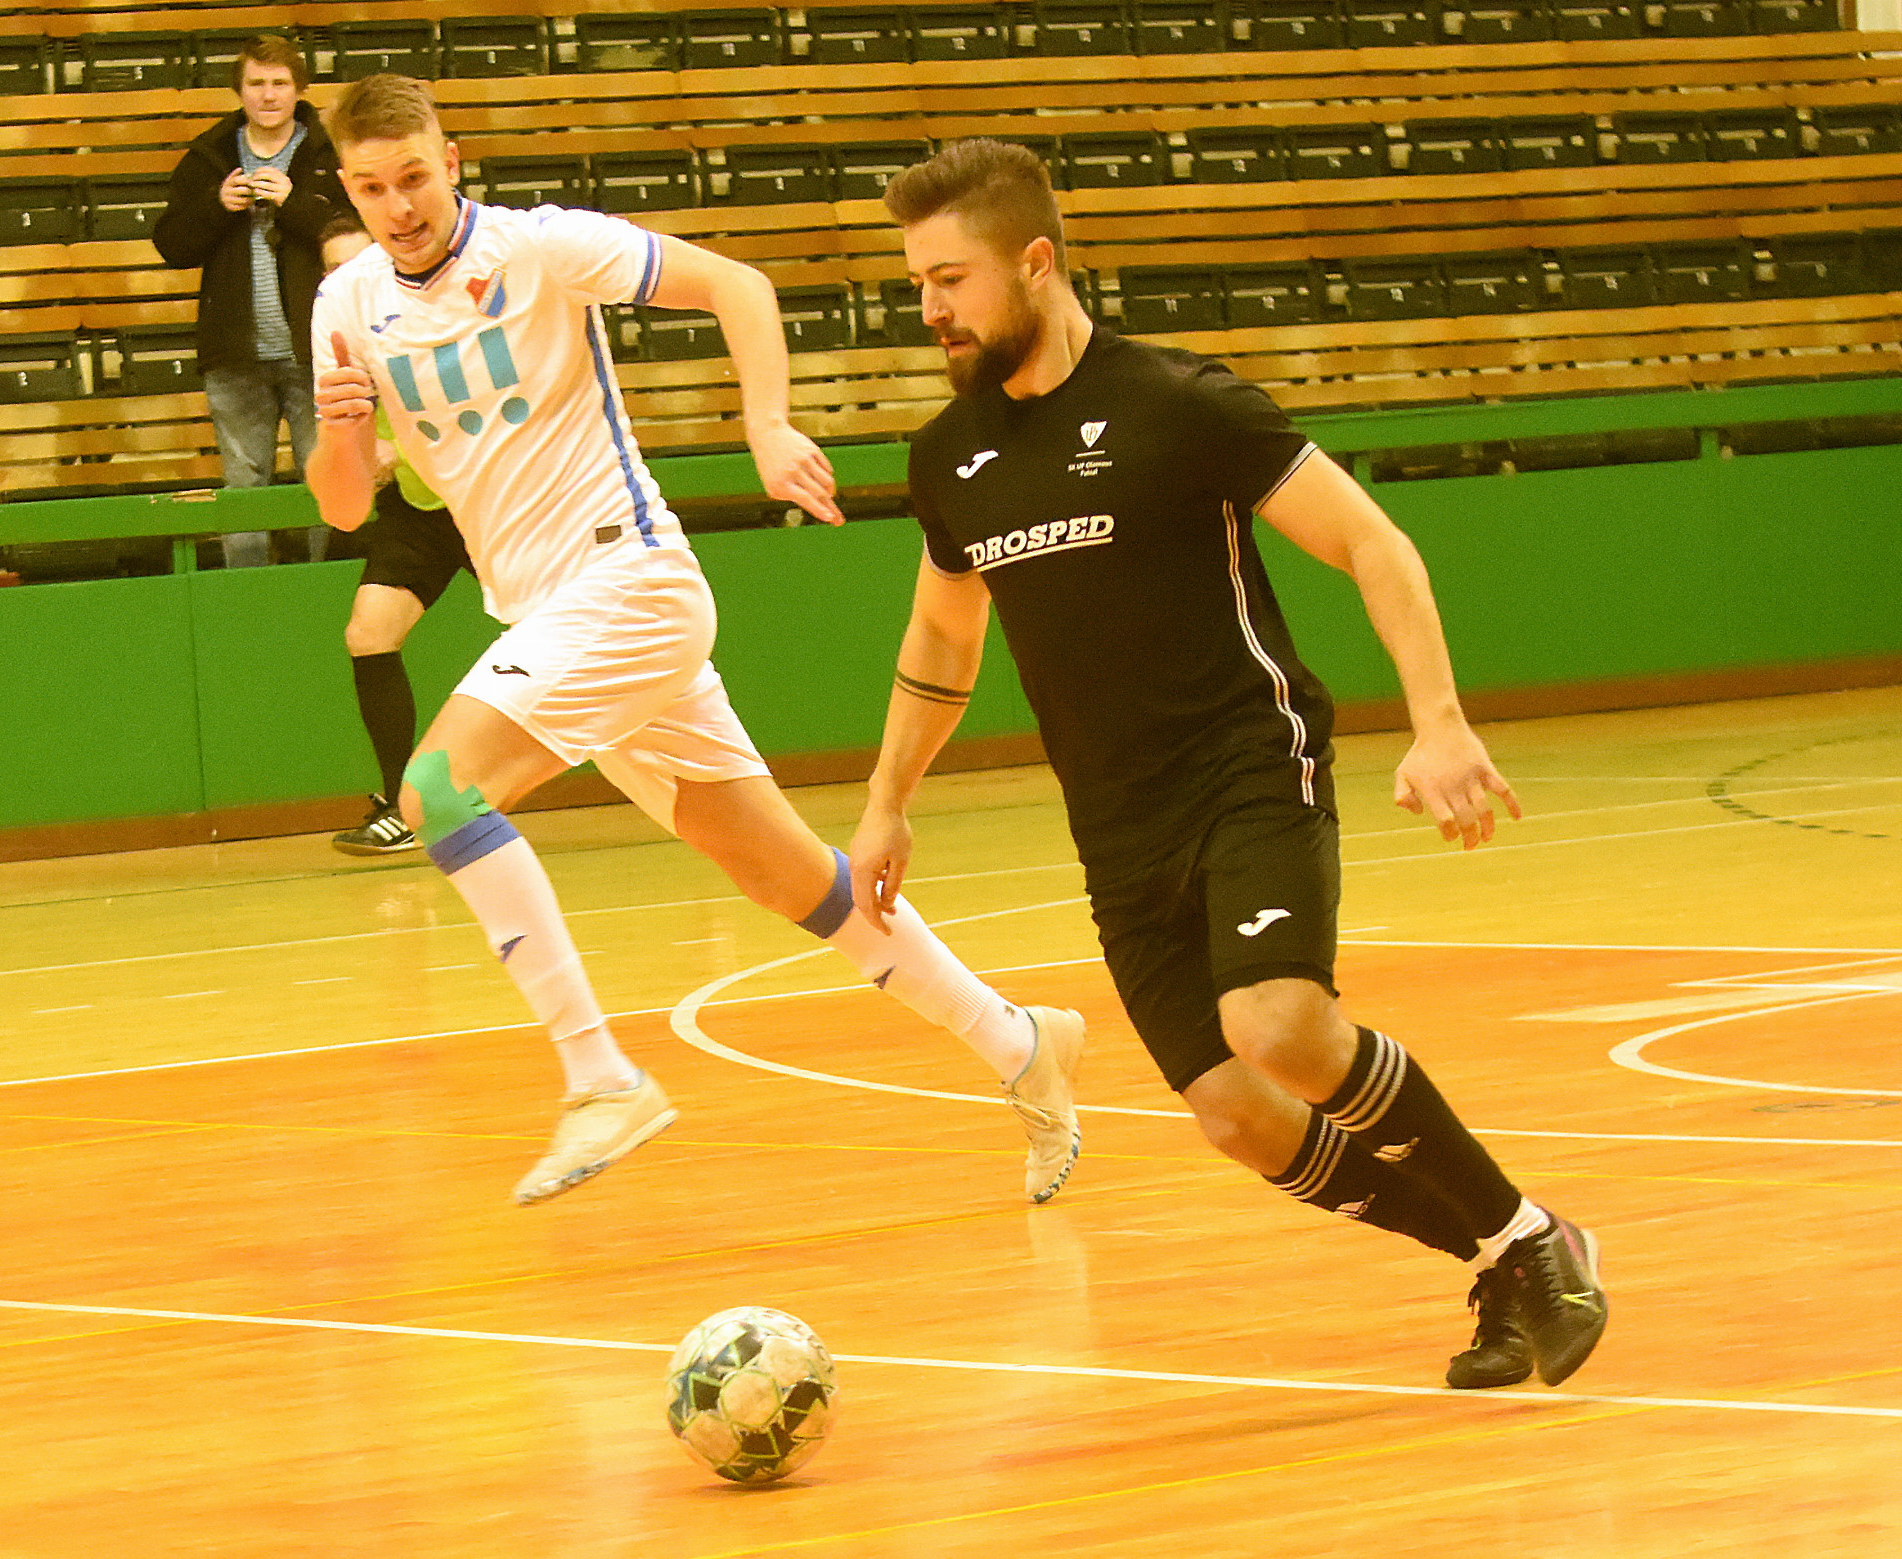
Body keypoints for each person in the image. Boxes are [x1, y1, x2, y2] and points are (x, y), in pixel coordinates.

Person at [851, 139, 1608, 1390]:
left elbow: (1373, 543)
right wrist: (887, 801)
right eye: (917, 284)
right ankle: (1505, 1249)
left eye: (950, 280)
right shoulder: (951, 455)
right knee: (1236, 1113)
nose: (929, 309)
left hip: (1248, 764)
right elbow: (941, 633)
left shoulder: (1181, 403)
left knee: (1279, 1024)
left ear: (1035, 263)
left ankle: (1529, 1241)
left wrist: (1439, 720)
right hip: (1117, 825)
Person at [306, 76, 1083, 1208]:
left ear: (452, 162)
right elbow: (341, 506)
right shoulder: (345, 303)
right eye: (373, 188)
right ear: (348, 188)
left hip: (628, 580)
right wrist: (339, 433)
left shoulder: (541, 248)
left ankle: (599, 1076)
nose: (399, 205)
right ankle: (1019, 1042)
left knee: (436, 787)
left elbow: (737, 285)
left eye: (415, 177)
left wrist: (766, 425)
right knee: (787, 875)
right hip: (551, 619)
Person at [154, 34, 348, 568]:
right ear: (238, 91)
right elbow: (171, 246)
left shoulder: (330, 152)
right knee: (243, 491)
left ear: (299, 88)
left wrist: (294, 204)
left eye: (279, 83)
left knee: (328, 484)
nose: (268, 94)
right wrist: (216, 205)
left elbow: (358, 238)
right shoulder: (209, 156)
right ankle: (245, 598)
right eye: (256, 83)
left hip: (317, 352)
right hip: (234, 354)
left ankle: (329, 593)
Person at [314, 213, 474, 857]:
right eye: (332, 267)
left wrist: (395, 452)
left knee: (567, 635)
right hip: (417, 509)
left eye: (359, 260)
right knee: (369, 633)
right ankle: (401, 804)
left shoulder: (430, 316)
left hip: (484, 501)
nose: (345, 276)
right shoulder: (338, 337)